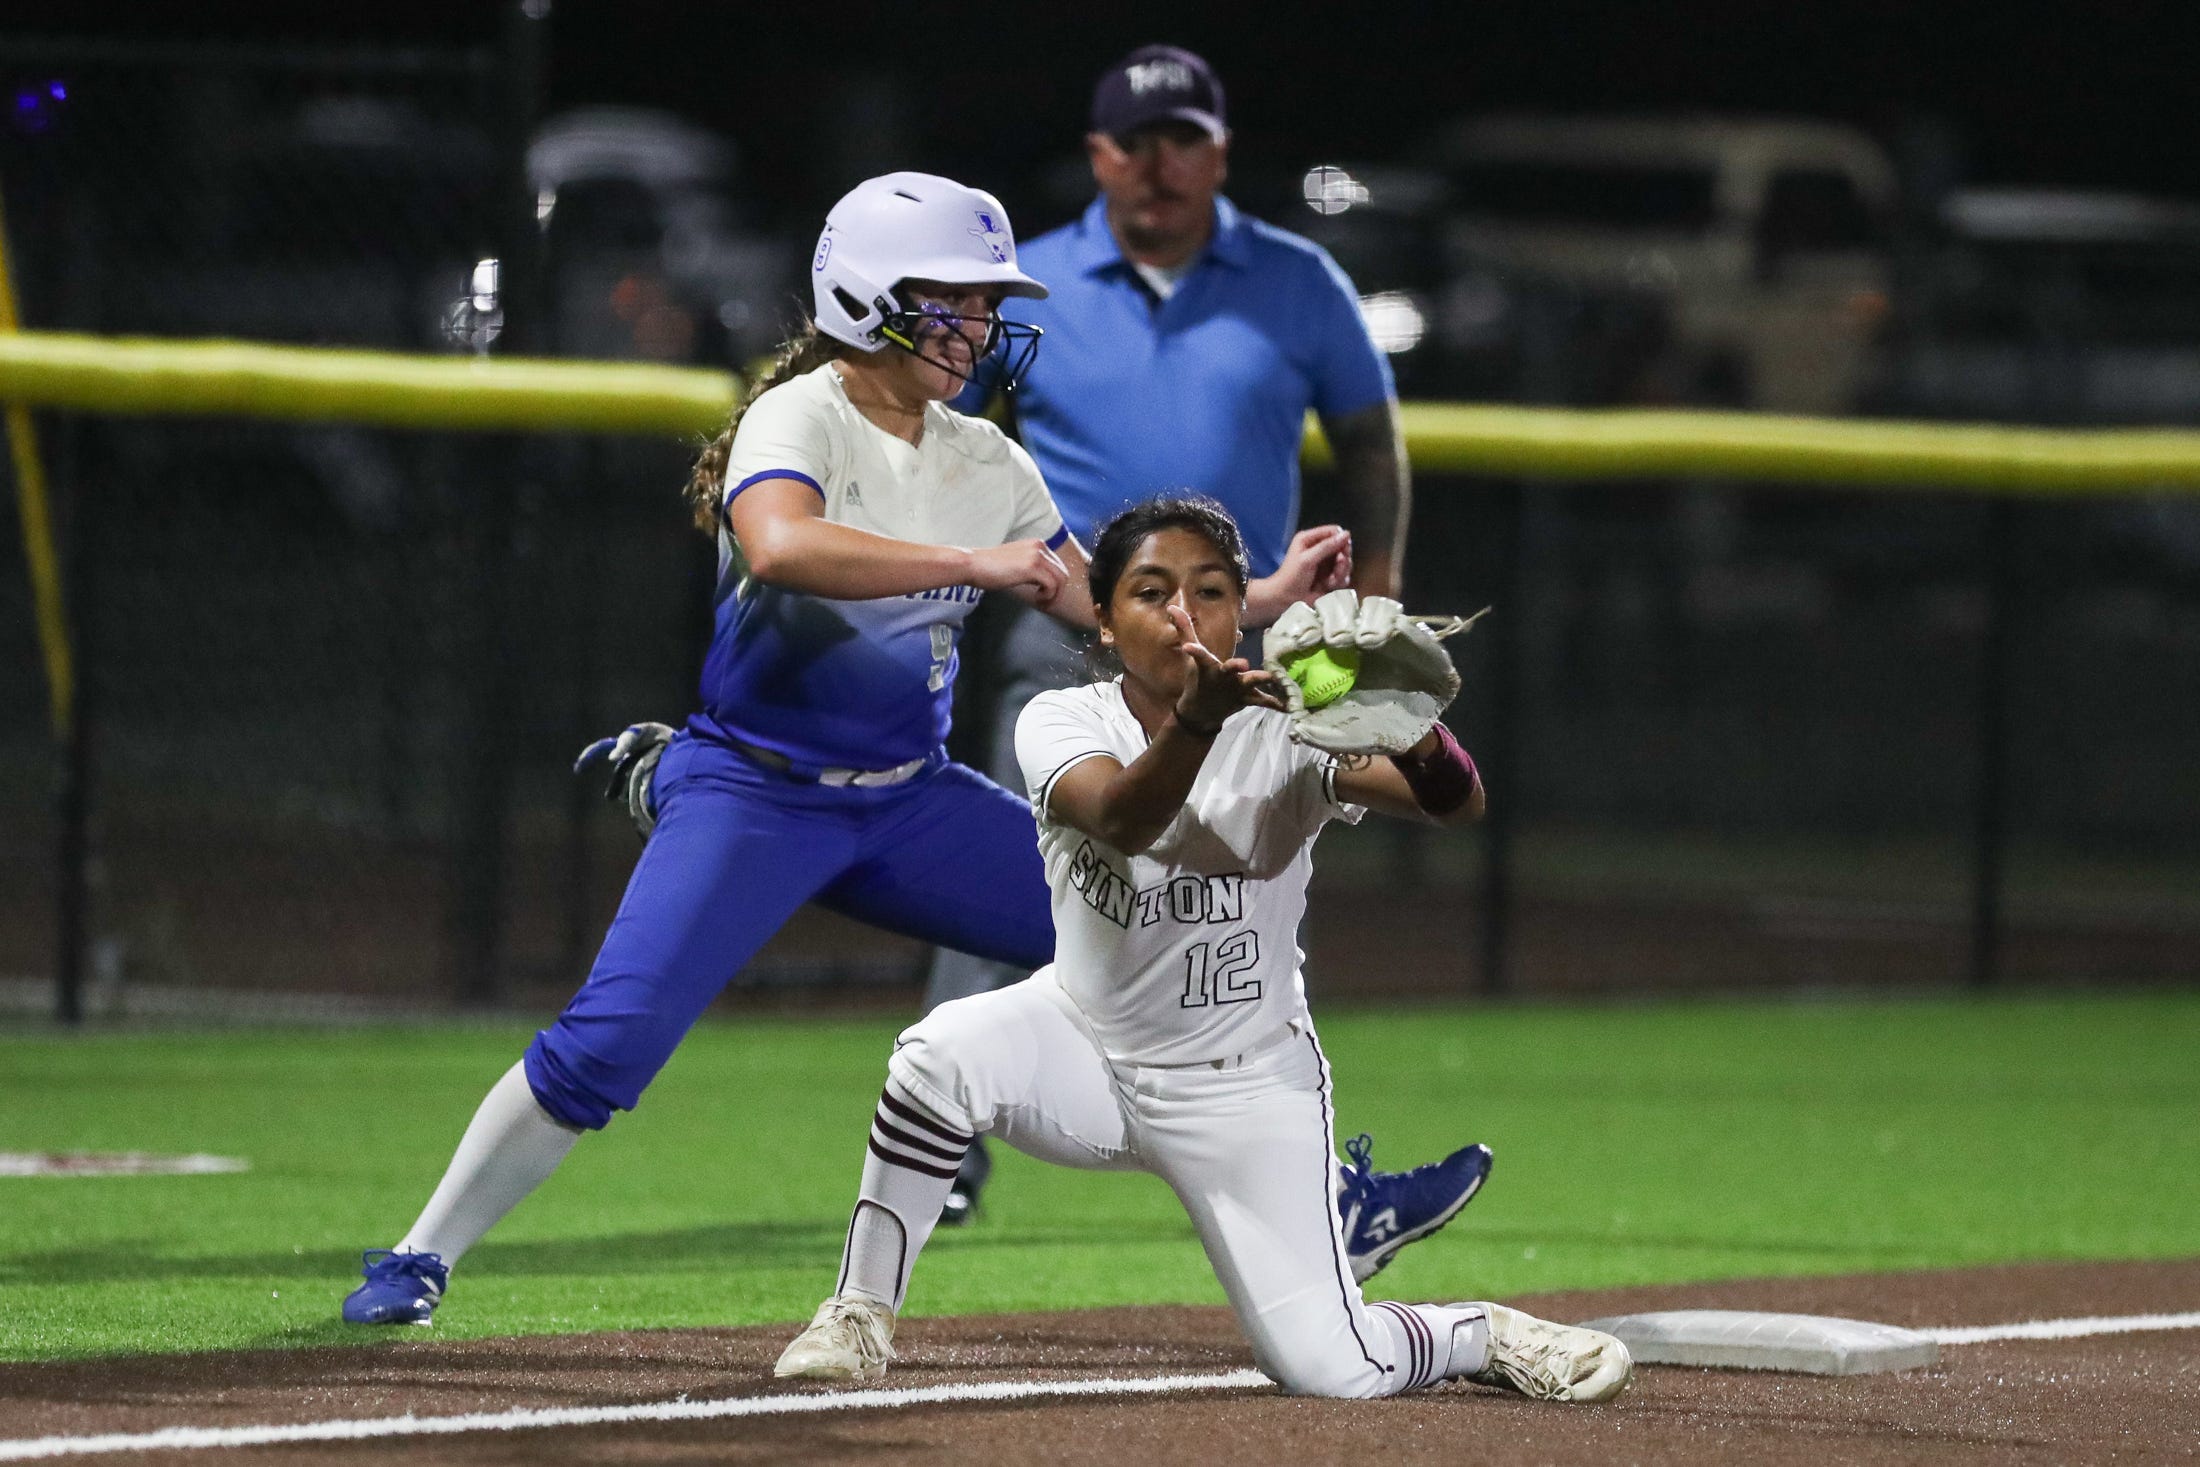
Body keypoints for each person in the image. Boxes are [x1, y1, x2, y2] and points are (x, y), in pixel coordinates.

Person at [341, 171, 1370, 1326]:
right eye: (954, 301)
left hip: (906, 801)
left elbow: (1099, 605)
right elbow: (780, 547)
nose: (979, 327)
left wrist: (1266, 598)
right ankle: (421, 1253)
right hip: (758, 790)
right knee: (608, 1046)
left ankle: (1326, 1193)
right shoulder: (802, 415)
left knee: (1166, 932)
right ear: (866, 295)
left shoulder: (984, 458)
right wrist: (973, 565)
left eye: (986, 304)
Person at [774, 497, 1631, 1405]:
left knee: (1332, 1368)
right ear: (1103, 621)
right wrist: (1195, 722)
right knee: (936, 1056)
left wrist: (1415, 732)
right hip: (1086, 1046)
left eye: (1212, 589)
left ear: (1242, 613)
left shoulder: (1288, 727)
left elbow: (1456, 803)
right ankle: (858, 1312)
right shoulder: (1062, 719)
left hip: (1245, 1086)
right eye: (1150, 591)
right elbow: (1123, 816)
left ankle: (1480, 1332)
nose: (1184, 611)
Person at [923, 44, 1444, 1234]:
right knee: (1016, 873)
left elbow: (1370, 441)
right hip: (1065, 643)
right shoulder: (1034, 285)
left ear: (1218, 151)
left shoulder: (1295, 278)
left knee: (1240, 904)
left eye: (1183, 141)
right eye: (1133, 144)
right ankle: (943, 1136)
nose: (1158, 167)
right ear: (1098, 155)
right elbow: (939, 438)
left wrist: (1379, 601)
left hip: (1235, 653)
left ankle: (1299, 1177)